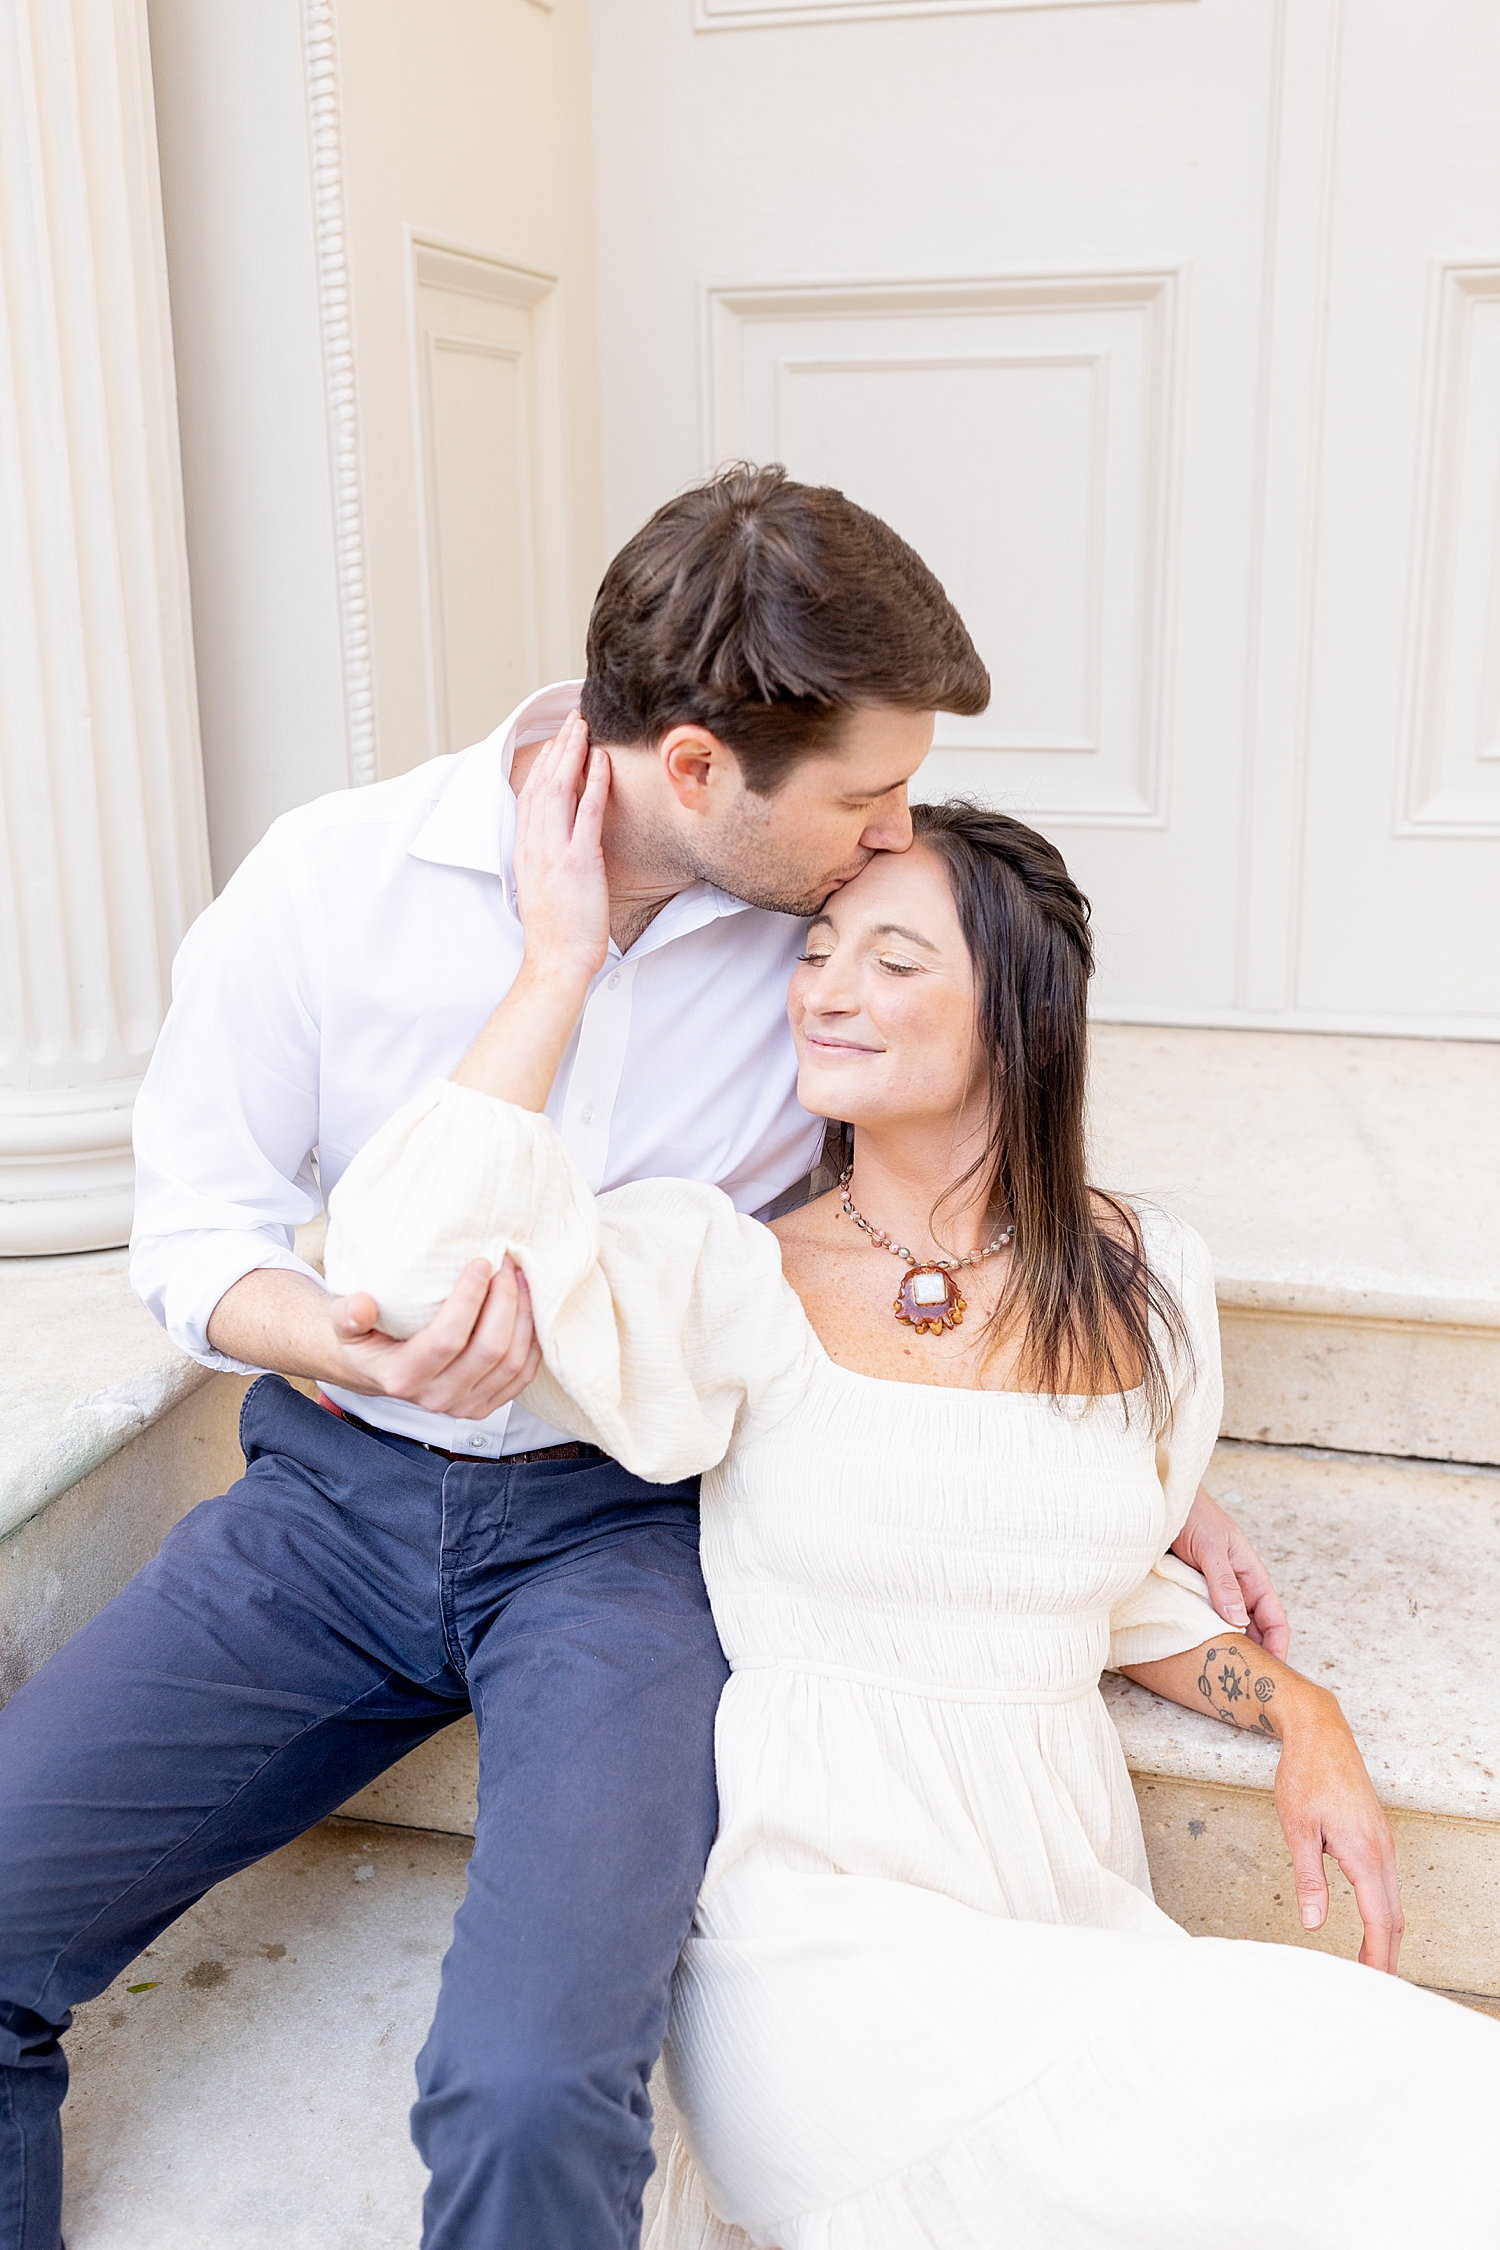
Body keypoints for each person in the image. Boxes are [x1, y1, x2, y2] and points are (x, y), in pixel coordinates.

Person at [0, 469, 1282, 2250]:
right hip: (333, 1503)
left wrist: (1127, 1457)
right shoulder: (335, 881)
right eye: (865, 792)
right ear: (698, 769)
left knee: (527, 2078)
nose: (889, 831)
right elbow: (191, 1234)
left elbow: (946, 1190)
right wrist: (344, 1327)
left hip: (632, 1529)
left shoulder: (829, 944)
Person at [323, 725, 1500, 2249]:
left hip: (1051, 1906)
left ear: (1020, 1011)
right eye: (817, 952)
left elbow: (1092, 1582)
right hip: (815, 1943)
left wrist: (1301, 1710)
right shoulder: (729, 1269)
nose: (825, 988)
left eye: (891, 959)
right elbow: (406, 1270)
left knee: (1418, 2099)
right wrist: (559, 961)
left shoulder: (1150, 1286)